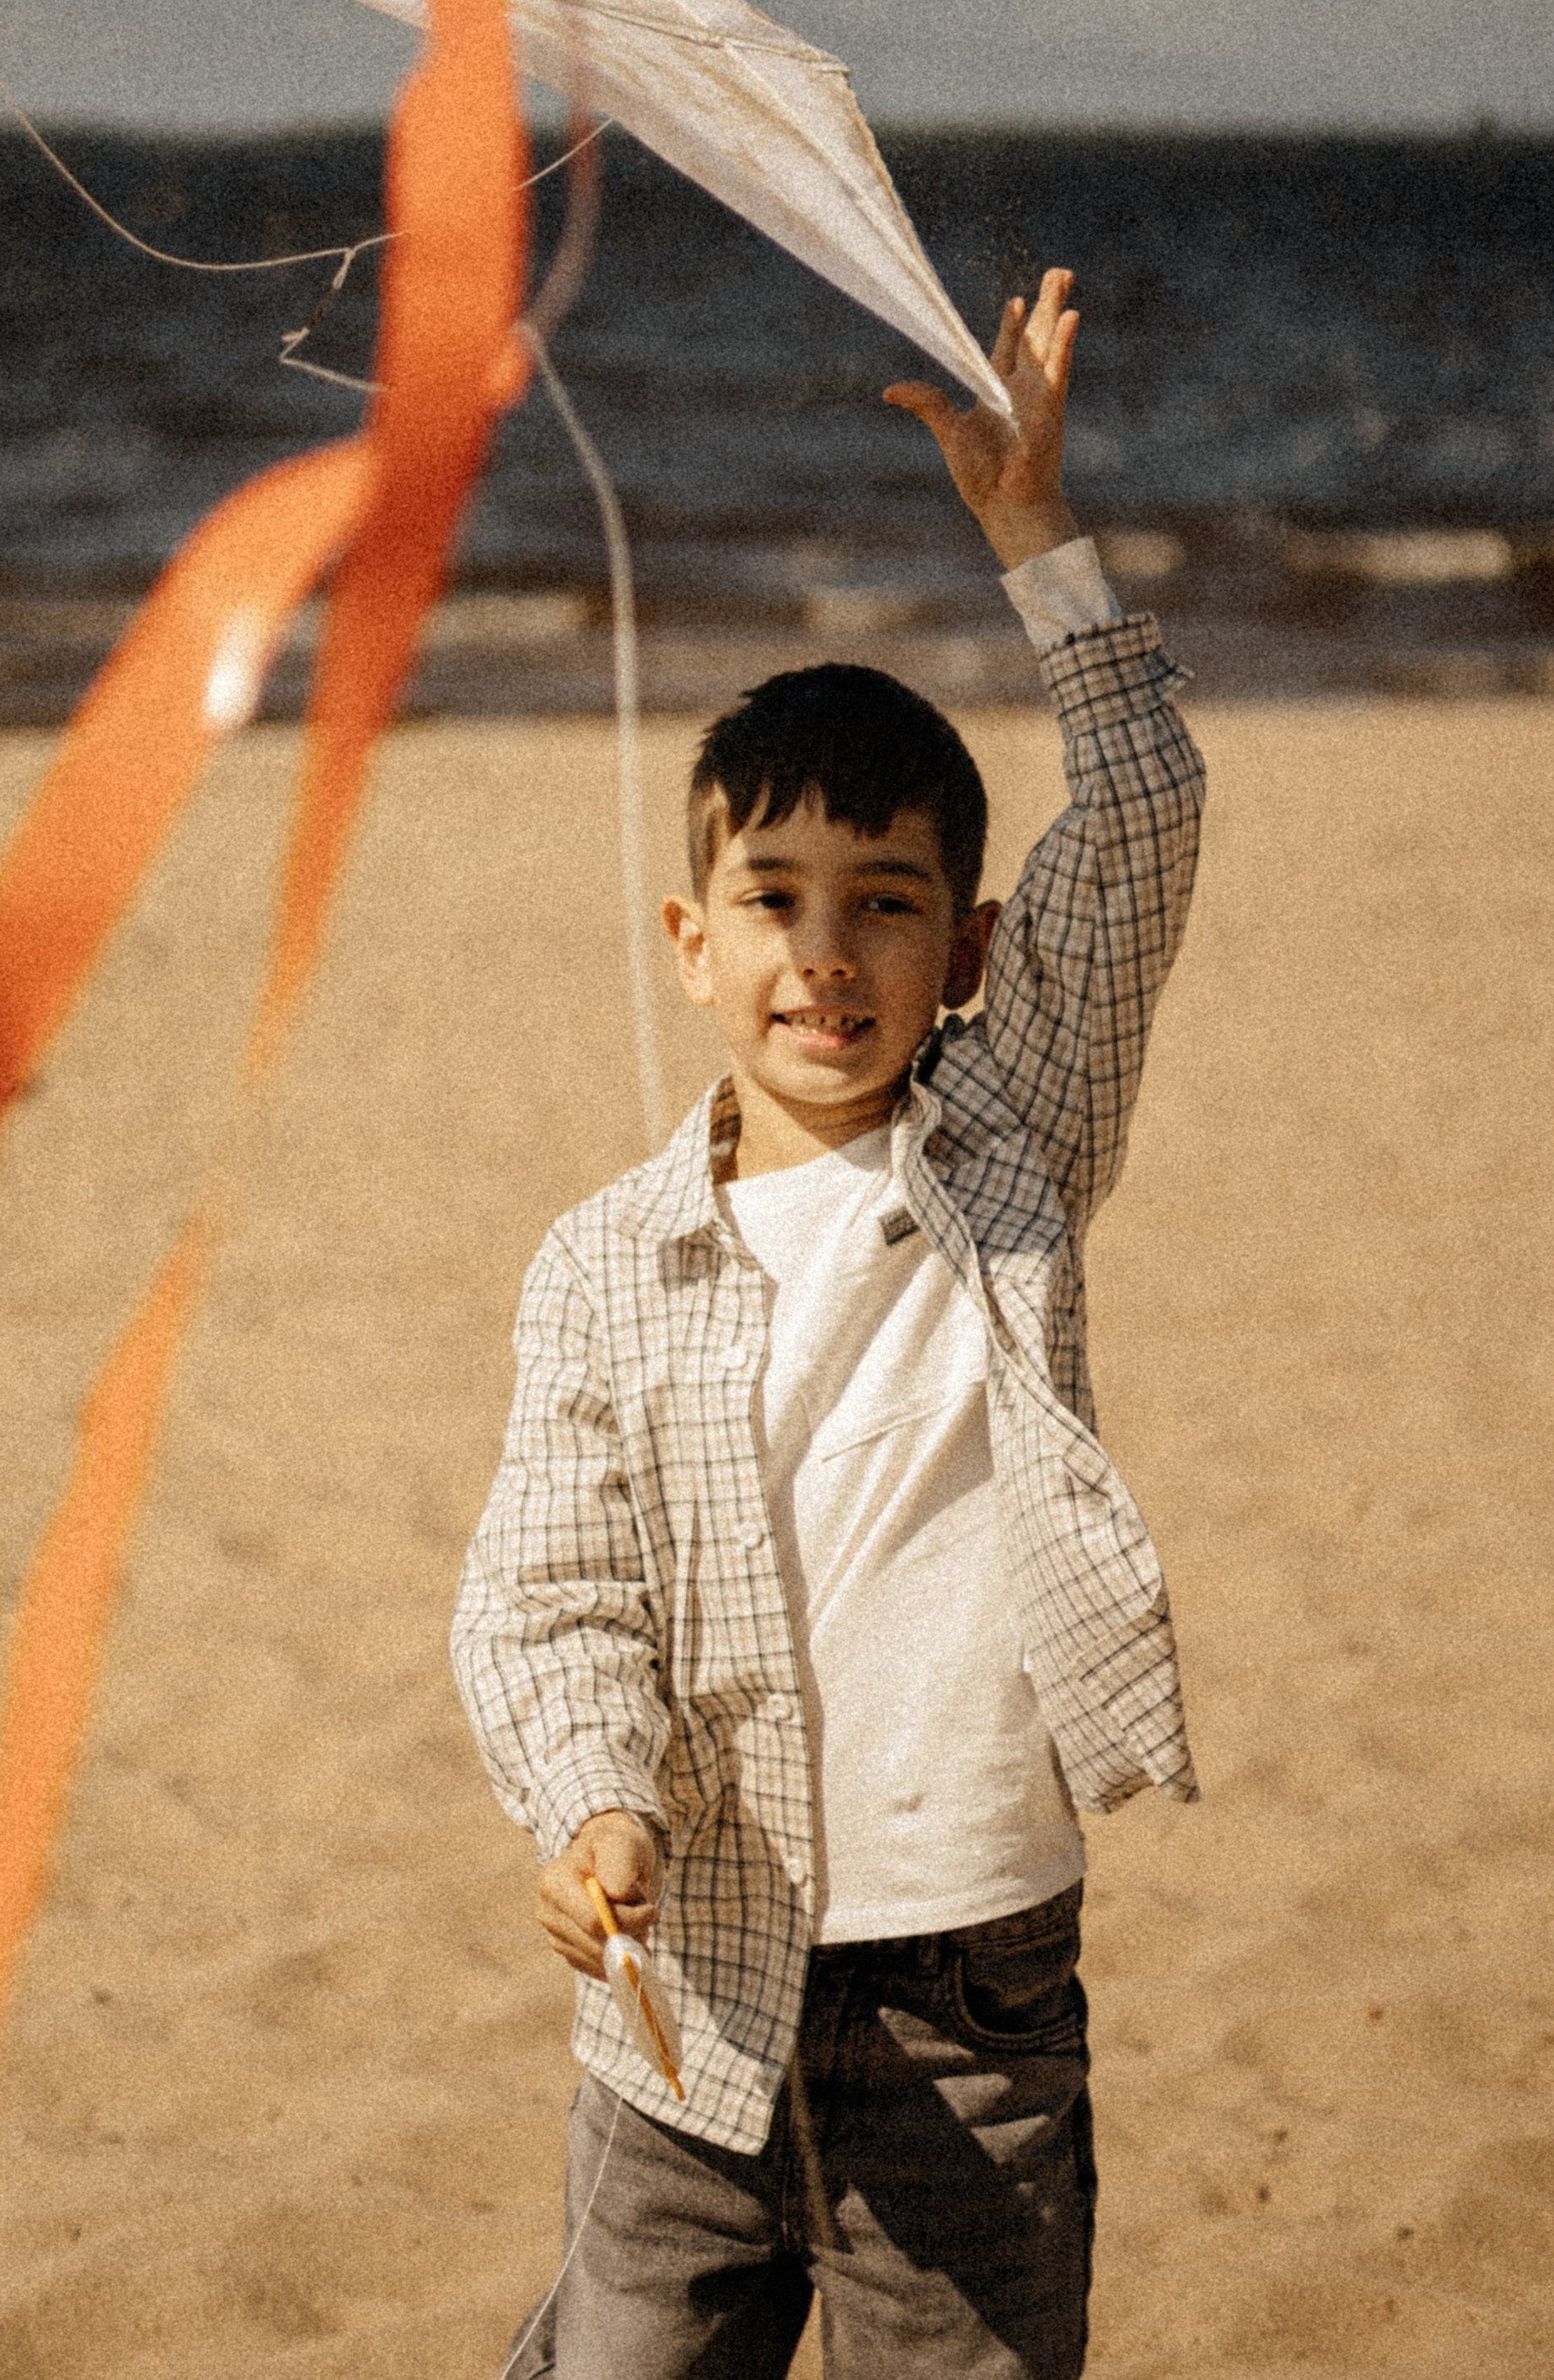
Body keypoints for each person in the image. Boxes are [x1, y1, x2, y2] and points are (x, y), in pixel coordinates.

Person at [452, 267, 1205, 2380]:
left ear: (963, 948)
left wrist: (1029, 529)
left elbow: (1138, 821)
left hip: (965, 2000)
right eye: (773, 901)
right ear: (692, 941)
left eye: (882, 901)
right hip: (681, 1987)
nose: (824, 953)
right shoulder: (604, 1259)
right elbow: (549, 1587)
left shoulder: (1005, 1147)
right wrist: (592, 1797)